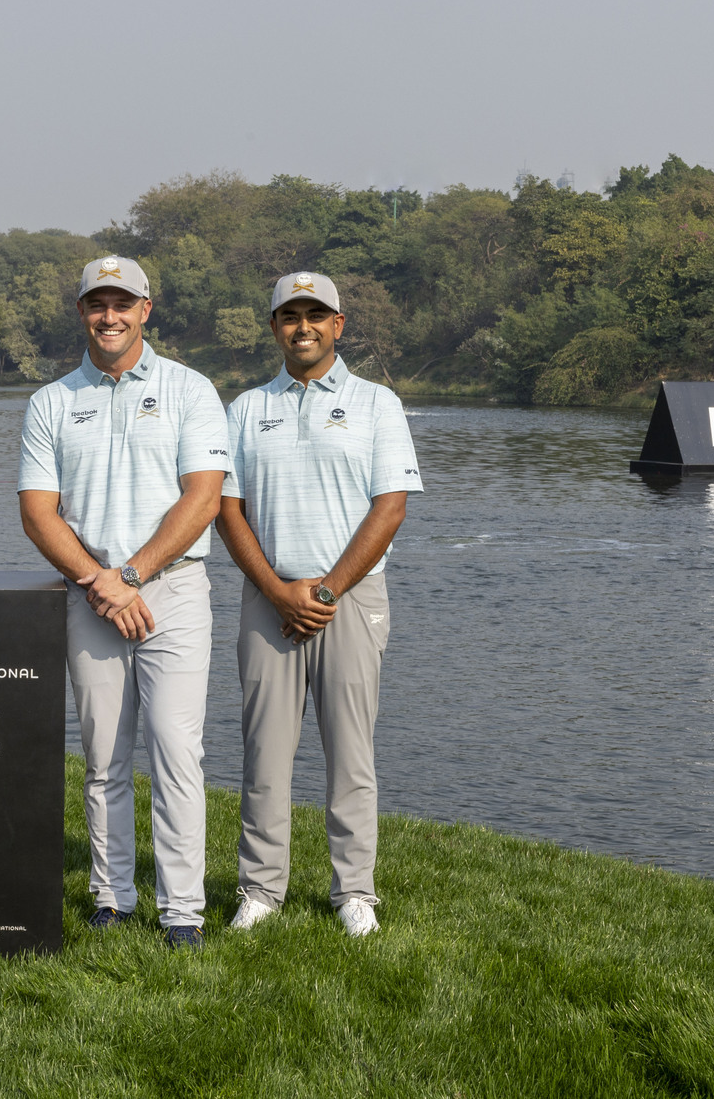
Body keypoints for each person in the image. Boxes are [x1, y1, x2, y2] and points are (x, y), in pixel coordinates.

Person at [18, 256, 228, 949]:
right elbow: (38, 510)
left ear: (146, 309)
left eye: (123, 303)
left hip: (171, 588)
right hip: (91, 591)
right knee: (104, 753)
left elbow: (203, 496)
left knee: (175, 749)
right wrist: (100, 581)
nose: (110, 315)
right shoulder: (51, 400)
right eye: (97, 303)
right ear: (81, 311)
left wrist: (132, 574)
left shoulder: (190, 389)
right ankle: (112, 895)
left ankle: (182, 911)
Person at [215, 271, 420, 937]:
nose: (303, 326)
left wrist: (327, 589)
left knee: (351, 752)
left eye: (316, 314)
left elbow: (391, 507)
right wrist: (278, 589)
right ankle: (260, 891)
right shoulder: (246, 409)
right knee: (264, 754)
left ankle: (354, 890)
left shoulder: (376, 403)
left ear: (339, 324)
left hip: (350, 601)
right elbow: (227, 509)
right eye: (289, 315)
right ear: (273, 326)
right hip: (267, 597)